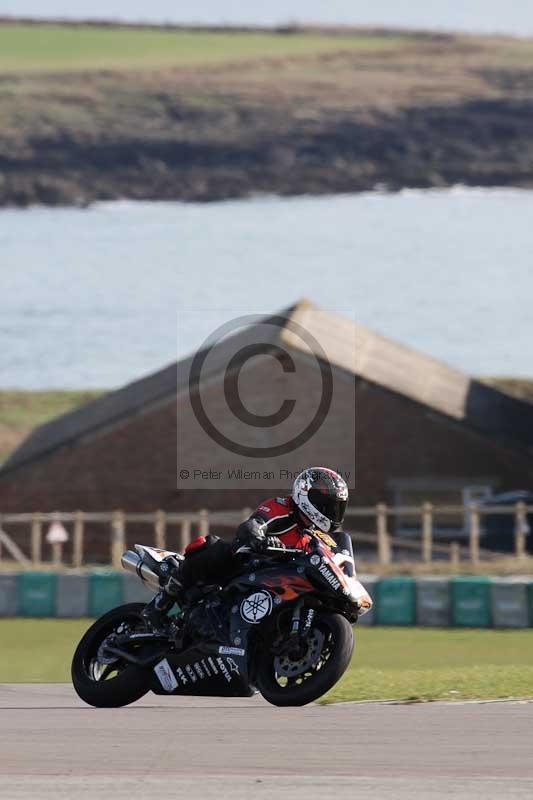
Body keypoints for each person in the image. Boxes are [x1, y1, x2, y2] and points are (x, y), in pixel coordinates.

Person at [142, 467, 349, 632]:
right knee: (212, 546)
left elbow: (333, 557)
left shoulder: (317, 536)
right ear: (307, 496)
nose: (331, 512)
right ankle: (158, 606)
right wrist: (258, 536)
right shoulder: (283, 507)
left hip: (280, 580)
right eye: (326, 506)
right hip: (247, 563)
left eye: (336, 507)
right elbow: (255, 524)